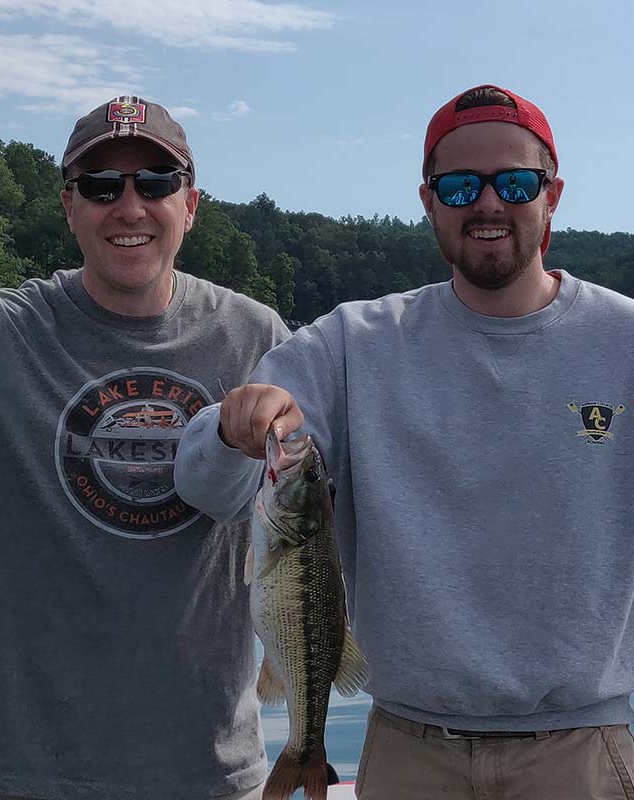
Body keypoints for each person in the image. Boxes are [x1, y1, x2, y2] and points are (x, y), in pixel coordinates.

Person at [174, 84, 634, 799]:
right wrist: (231, 427)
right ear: (427, 201)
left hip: (582, 749)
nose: (488, 204)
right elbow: (203, 487)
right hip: (407, 749)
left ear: (553, 194)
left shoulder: (625, 342)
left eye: (515, 183)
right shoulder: (352, 343)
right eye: (459, 186)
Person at [0, 96, 290, 800]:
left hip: (213, 773)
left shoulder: (254, 336)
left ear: (191, 203)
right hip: (31, 776)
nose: (129, 207)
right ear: (69, 206)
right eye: (102, 187)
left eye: (156, 183)